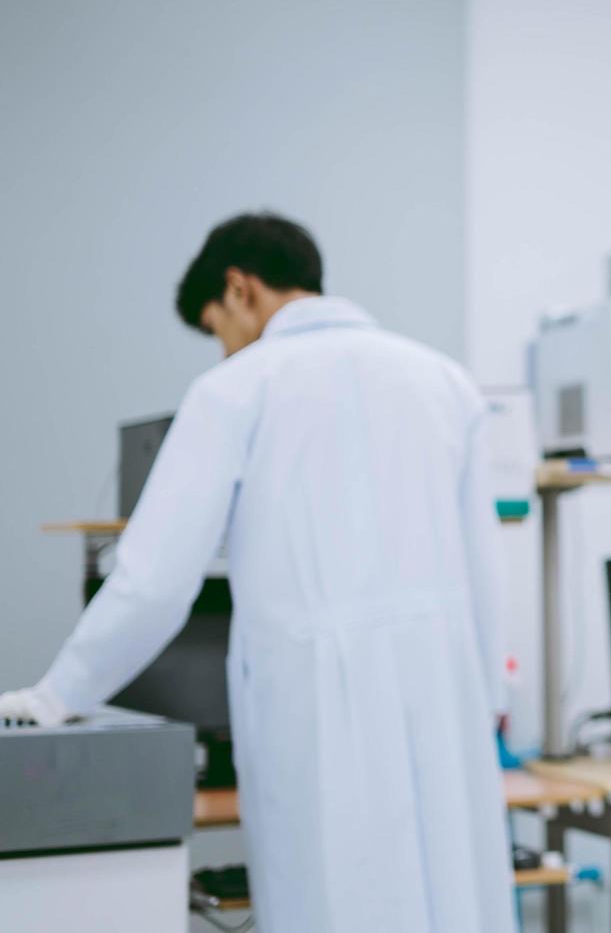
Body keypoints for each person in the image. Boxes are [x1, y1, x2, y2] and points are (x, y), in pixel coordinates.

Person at [0, 213, 516, 933]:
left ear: (239, 289)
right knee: (448, 896)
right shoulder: (444, 381)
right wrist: (492, 691)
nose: (224, 344)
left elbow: (153, 580)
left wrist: (56, 695)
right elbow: (484, 565)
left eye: (217, 325)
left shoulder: (236, 389)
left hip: (314, 705)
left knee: (337, 899)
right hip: (442, 694)